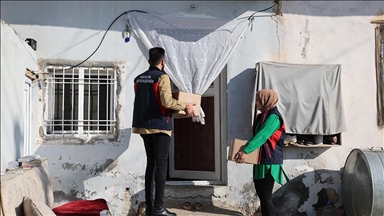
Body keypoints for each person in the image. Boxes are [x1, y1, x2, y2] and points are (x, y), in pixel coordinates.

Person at [132, 47, 195, 216]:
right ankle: (159, 208)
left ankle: (151, 208)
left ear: (148, 61)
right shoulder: (162, 77)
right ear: (163, 62)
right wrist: (186, 105)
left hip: (143, 126)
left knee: (150, 163)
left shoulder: (138, 79)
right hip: (160, 125)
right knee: (161, 165)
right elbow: (167, 101)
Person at [234, 89, 287, 216]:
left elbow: (262, 136)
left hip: (270, 160)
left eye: (258, 100)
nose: (256, 103)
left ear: (265, 100)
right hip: (260, 159)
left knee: (265, 194)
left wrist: (246, 150)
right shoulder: (262, 116)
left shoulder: (274, 117)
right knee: (261, 193)